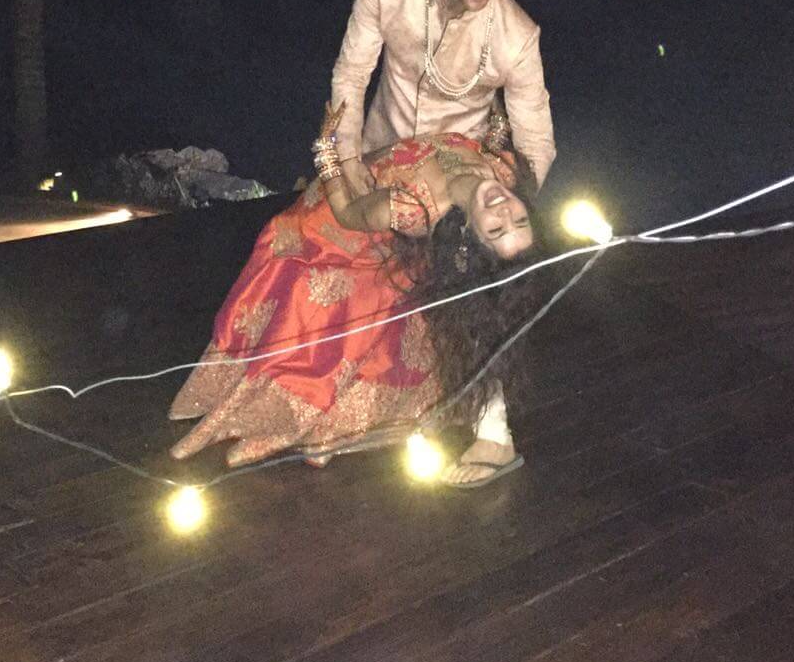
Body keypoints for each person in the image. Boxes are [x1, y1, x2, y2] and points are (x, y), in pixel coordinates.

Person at [168, 101, 540, 487]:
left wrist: (325, 148)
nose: (504, 213)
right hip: (369, 185)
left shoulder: (411, 208)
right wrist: (495, 102)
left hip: (340, 229)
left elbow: (346, 213)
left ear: (469, 232)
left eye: (496, 230)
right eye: (520, 220)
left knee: (314, 293)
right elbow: (492, 139)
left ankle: (301, 413)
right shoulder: (501, 172)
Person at [329, 0, 556, 197]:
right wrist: (347, 157)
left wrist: (511, 209)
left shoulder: (518, 37)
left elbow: (536, 142)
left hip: (456, 190)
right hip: (375, 164)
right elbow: (352, 73)